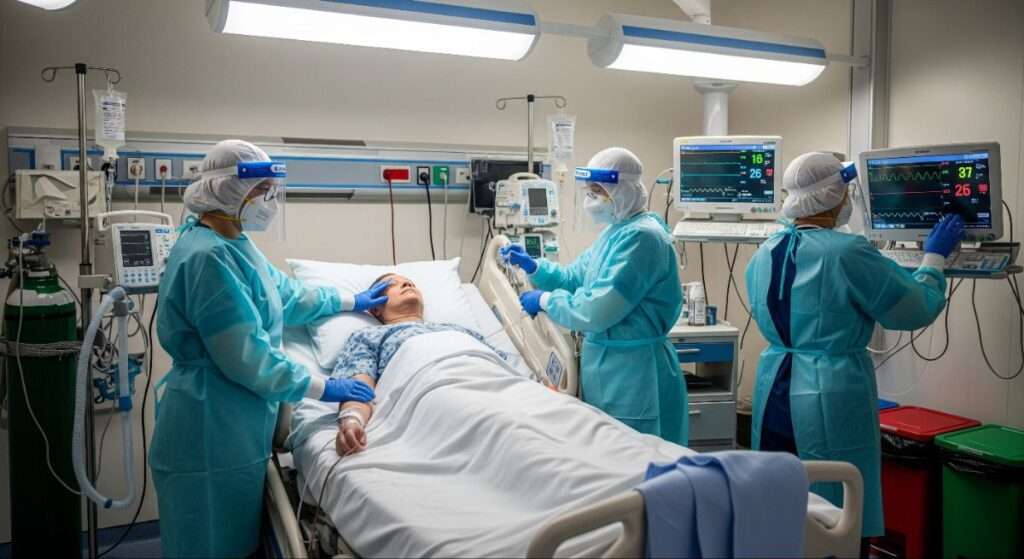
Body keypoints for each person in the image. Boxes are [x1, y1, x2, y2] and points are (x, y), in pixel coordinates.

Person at [150, 139, 388, 558]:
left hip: (233, 423)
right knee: (206, 541)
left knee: (229, 538)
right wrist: (324, 387)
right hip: (209, 426)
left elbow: (289, 296)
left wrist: (354, 300)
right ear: (228, 191)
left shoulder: (234, 243)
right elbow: (248, 358)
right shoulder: (208, 258)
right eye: (262, 192)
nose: (270, 202)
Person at [744, 151, 964, 539]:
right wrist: (934, 258)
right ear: (835, 196)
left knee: (781, 500)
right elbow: (913, 309)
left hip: (774, 386)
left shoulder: (767, 251)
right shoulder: (847, 252)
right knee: (836, 507)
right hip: (828, 391)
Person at [500, 147, 687, 445]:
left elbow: (599, 309)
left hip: (635, 375)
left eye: (598, 192)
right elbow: (575, 277)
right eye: (589, 191)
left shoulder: (643, 238)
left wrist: (546, 301)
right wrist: (534, 266)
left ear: (623, 190)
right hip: (609, 366)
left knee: (637, 461)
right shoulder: (616, 232)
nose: (591, 200)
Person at [333, 274, 509, 455]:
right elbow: (359, 386)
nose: (407, 283)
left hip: (495, 387)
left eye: (411, 283)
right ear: (375, 309)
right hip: (435, 390)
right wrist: (352, 420)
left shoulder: (460, 330)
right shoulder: (369, 336)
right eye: (393, 284)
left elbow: (500, 367)